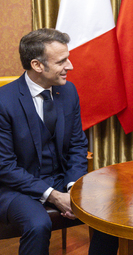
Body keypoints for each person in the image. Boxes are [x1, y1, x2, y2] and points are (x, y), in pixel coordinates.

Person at [0, 28, 88, 254]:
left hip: (61, 180)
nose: (70, 67)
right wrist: (54, 196)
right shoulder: (4, 102)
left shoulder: (69, 92)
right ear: (37, 65)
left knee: (106, 213)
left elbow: (78, 145)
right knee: (38, 225)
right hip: (14, 188)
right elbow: (5, 167)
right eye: (62, 61)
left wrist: (71, 188)